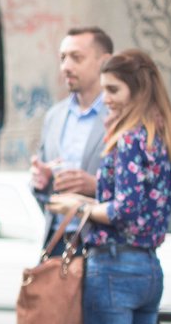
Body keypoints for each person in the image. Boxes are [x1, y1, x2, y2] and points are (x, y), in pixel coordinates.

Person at [47, 49, 171, 324]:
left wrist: (78, 205)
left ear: (137, 91)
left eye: (114, 90)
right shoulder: (161, 137)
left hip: (113, 269)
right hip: (149, 268)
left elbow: (125, 209)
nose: (106, 98)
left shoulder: (131, 138)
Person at [31, 27, 113, 253]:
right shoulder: (54, 116)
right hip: (57, 242)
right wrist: (42, 180)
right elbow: (42, 192)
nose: (66, 67)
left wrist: (95, 186)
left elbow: (137, 192)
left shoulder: (120, 114)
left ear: (103, 62)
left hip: (101, 245)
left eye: (76, 58)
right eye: (62, 58)